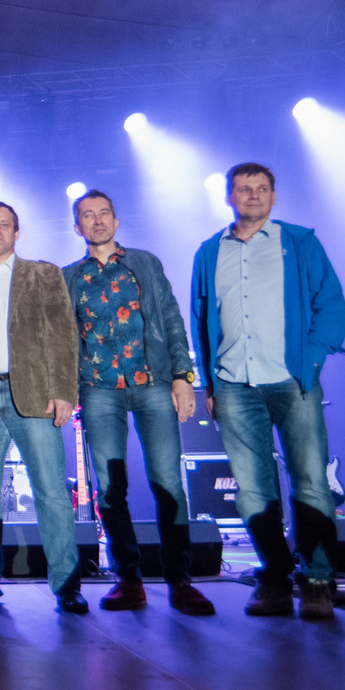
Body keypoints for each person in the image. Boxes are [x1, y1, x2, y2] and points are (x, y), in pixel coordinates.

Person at [190, 163, 345, 619]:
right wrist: (211, 383)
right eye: (244, 188)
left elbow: (330, 304)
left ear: (274, 196)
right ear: (230, 197)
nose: (254, 195)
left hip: (293, 381)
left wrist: (312, 359)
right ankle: (275, 578)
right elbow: (202, 318)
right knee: (253, 490)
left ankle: (318, 580)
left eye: (262, 188)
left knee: (311, 481)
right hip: (234, 384)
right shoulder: (209, 251)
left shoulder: (299, 241)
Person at [63, 191, 215, 616]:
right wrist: (66, 387)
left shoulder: (145, 263)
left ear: (116, 220)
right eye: (87, 215)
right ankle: (128, 579)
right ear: (77, 226)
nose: (97, 221)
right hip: (98, 387)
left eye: (104, 213)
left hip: (153, 382)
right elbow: (62, 337)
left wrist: (184, 377)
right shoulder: (68, 277)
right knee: (110, 488)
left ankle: (180, 580)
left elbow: (171, 318)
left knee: (168, 482)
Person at [0, 202, 88, 614]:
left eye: (4, 225)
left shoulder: (44, 274)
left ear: (16, 232)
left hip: (34, 397)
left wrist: (64, 391)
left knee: (52, 492)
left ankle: (67, 583)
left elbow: (64, 336)